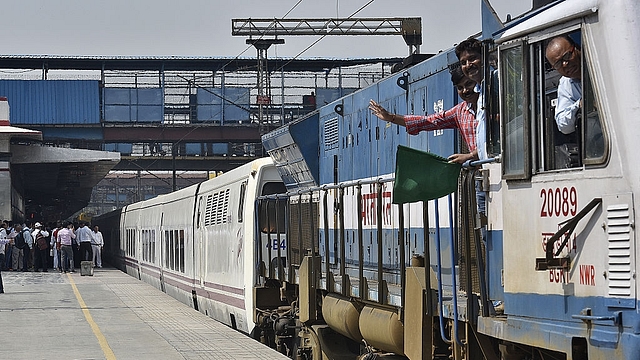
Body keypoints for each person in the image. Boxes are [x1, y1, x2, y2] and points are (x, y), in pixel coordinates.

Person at [369, 66, 479, 164]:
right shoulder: (460, 112)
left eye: (469, 84)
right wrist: (391, 117)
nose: (465, 91)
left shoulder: (493, 105)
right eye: (460, 88)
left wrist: (470, 156)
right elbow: (428, 121)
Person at [545, 35, 581, 135]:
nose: (565, 64)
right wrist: (579, 105)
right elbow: (563, 125)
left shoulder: (599, 64)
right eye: (558, 64)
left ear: (576, 48)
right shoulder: (566, 83)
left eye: (567, 56)